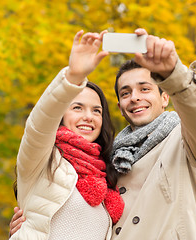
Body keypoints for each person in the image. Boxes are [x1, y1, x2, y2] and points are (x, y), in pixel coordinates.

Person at [10, 28, 196, 240]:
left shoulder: (186, 140)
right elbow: (38, 127)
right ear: (120, 107)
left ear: (165, 97)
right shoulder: (112, 163)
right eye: (126, 92)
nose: (135, 97)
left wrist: (174, 74)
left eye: (145, 89)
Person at [9, 30, 124, 240]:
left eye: (96, 110)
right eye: (77, 108)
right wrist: (73, 77)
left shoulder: (107, 174)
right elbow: (39, 124)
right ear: (60, 115)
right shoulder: (42, 159)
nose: (88, 117)